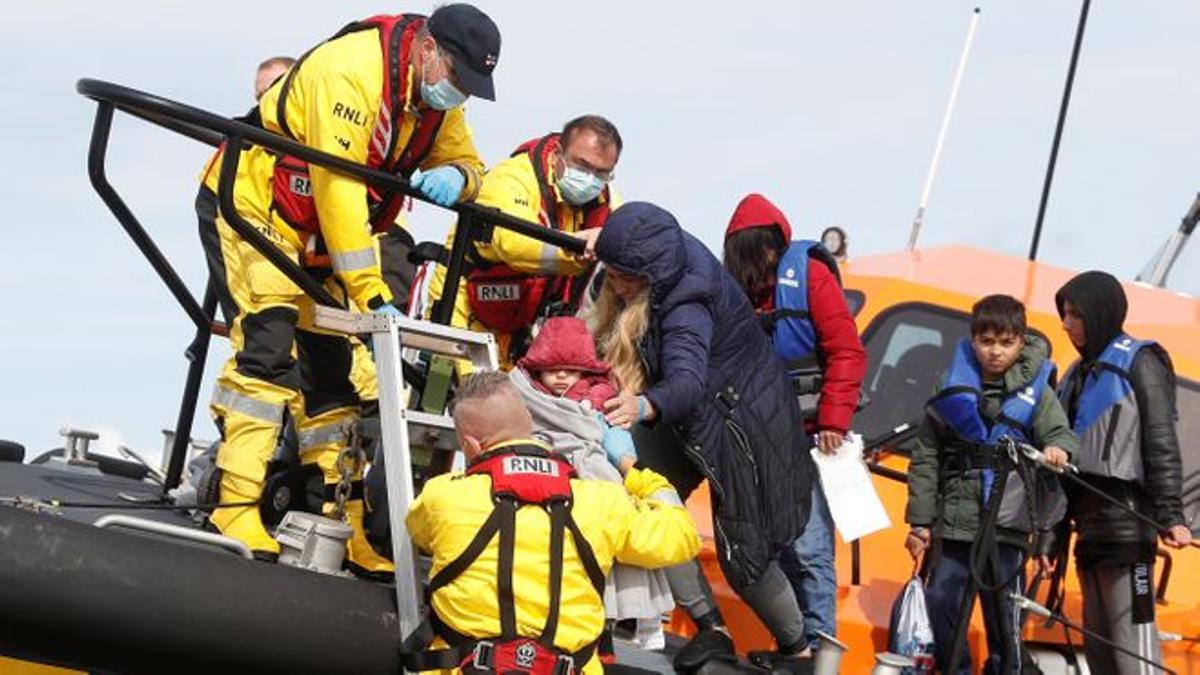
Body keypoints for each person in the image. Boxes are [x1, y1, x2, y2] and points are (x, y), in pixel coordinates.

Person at [195, 4, 500, 571]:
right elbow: (337, 190)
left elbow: (468, 161)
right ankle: (233, 505)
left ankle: (339, 519)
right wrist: (369, 292)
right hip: (257, 204)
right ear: (429, 50)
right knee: (268, 352)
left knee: (333, 378)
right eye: (458, 79)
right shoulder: (350, 71)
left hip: (320, 239)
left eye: (470, 87)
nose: (459, 95)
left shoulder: (433, 95)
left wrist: (458, 177)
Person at [589, 202, 817, 673]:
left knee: (744, 555)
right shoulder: (663, 256)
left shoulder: (688, 301)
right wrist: (605, 245)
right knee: (646, 502)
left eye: (621, 276)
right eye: (610, 272)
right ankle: (710, 627)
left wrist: (643, 405)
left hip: (743, 423)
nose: (614, 285)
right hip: (694, 415)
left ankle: (799, 654)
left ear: (647, 272)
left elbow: (689, 381)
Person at [403, 372, 699, 674]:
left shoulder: (443, 496)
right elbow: (681, 538)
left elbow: (420, 534)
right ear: (529, 423)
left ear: (470, 445)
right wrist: (631, 468)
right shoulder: (601, 501)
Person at [722, 193, 867, 651]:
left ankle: (822, 652)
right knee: (770, 551)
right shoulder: (733, 293)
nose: (763, 260)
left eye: (767, 250)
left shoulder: (810, 276)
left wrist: (833, 420)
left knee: (809, 547)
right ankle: (795, 647)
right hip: (752, 440)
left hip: (806, 439)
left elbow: (846, 351)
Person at [904, 294, 1077, 674]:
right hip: (955, 524)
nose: (995, 352)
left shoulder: (1039, 393)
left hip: (1007, 529)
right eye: (986, 342)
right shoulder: (950, 386)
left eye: (1006, 342)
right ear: (973, 339)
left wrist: (1057, 450)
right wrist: (919, 522)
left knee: (1005, 620)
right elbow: (927, 454)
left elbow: (1064, 436)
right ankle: (957, 669)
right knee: (941, 600)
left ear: (1020, 340)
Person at [1052, 271, 1192, 674]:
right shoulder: (1077, 376)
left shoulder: (1140, 363)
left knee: (1136, 661)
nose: (1066, 324)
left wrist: (1171, 516)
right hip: (1090, 536)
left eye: (1075, 314)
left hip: (1129, 536)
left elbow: (1160, 441)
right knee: (1101, 659)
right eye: (1064, 314)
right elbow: (1063, 473)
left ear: (1099, 313)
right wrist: (1050, 542)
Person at [511, 317, 674, 650]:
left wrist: (622, 459)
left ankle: (633, 616)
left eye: (570, 371)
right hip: (547, 475)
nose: (560, 377)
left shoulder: (601, 397)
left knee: (617, 533)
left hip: (594, 478)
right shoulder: (525, 395)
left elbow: (613, 434)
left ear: (585, 373)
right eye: (552, 369)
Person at [425, 115, 621, 368]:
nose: (590, 178)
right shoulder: (511, 177)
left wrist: (609, 238)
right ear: (558, 154)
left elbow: (633, 233)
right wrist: (576, 248)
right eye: (582, 166)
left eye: (601, 173)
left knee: (512, 401)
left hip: (524, 325)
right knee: (464, 397)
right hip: (463, 305)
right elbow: (511, 243)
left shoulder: (604, 200)